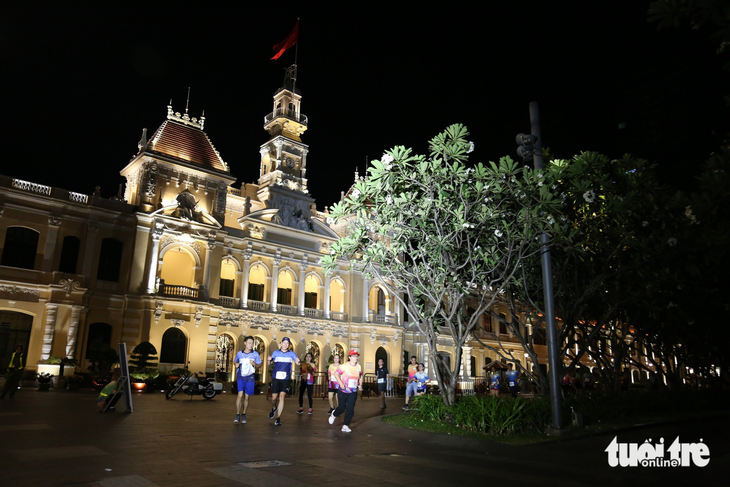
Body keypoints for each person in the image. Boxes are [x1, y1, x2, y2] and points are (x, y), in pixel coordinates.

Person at [267, 337, 300, 426]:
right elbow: (269, 364)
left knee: (282, 397)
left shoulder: (291, 353)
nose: (285, 344)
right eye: (284, 343)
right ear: (281, 343)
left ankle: (278, 418)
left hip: (285, 379)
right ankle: (274, 408)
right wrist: (268, 359)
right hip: (276, 378)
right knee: (274, 399)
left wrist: (298, 361)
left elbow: (298, 362)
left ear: (288, 345)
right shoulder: (276, 353)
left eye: (287, 343)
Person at [328, 349, 362, 433]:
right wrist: (341, 383)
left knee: (350, 409)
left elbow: (360, 376)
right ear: (350, 357)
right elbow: (336, 374)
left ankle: (345, 425)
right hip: (342, 391)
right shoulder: (344, 366)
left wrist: (360, 385)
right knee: (342, 408)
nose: (356, 358)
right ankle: (334, 414)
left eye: (357, 356)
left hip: (352, 392)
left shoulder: (359, 366)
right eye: (354, 356)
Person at [233, 336, 262, 424]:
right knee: (240, 395)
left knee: (246, 397)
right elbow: (235, 361)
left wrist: (254, 364)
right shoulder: (239, 354)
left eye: (252, 343)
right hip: (241, 376)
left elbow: (259, 364)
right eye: (249, 343)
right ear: (245, 343)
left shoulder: (255, 354)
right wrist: (236, 364)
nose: (251, 345)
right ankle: (238, 414)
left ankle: (244, 413)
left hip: (250, 377)